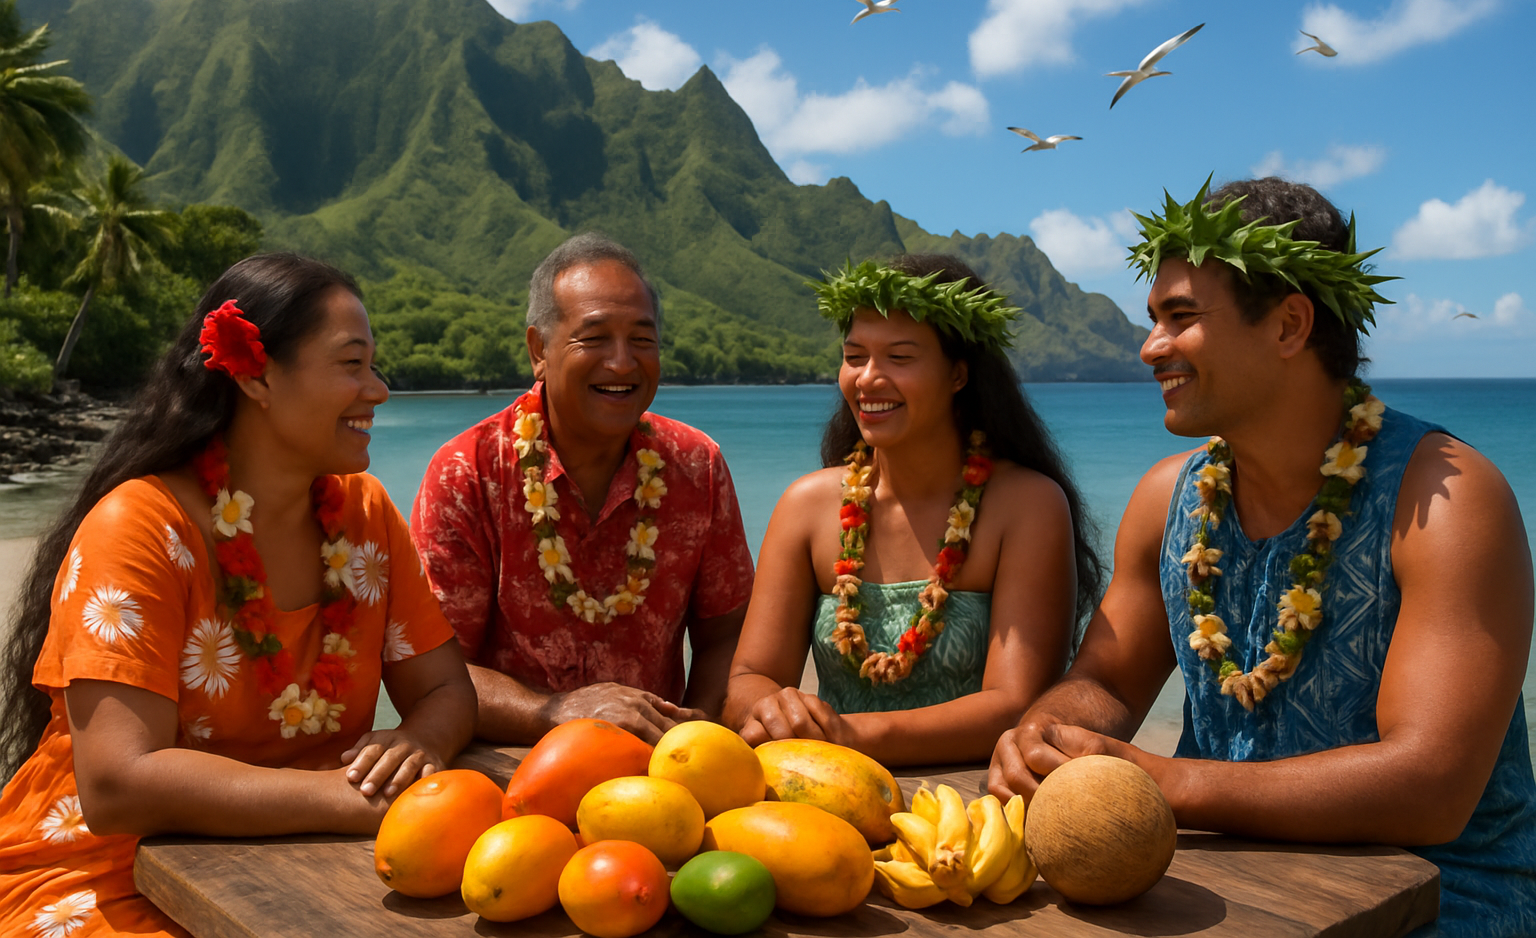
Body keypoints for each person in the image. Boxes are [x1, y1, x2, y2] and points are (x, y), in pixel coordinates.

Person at [989, 177, 1536, 936]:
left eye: (1181, 317)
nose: (1150, 347)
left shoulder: (1444, 499)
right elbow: (1107, 681)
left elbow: (1430, 788)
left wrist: (1168, 781)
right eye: (1154, 319)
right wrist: (1043, 733)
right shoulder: (1166, 499)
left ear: (1289, 325)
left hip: (1436, 898)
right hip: (1218, 874)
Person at [0, 253, 476, 938]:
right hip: (104, 871)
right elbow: (115, 787)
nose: (377, 390)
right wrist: (353, 800)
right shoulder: (138, 527)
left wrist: (421, 745)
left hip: (298, 864)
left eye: (375, 366)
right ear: (256, 376)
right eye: (352, 364)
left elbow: (443, 689)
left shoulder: (366, 515)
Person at [723, 254, 1104, 765]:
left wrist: (849, 736)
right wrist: (774, 711)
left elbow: (1015, 706)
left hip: (972, 805)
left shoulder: (1026, 506)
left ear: (958, 374)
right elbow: (749, 679)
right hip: (828, 791)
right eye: (854, 356)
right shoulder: (807, 507)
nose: (867, 379)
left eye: (899, 358)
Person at [411, 233, 754, 745]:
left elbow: (726, 635)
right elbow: (433, 675)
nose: (621, 363)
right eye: (593, 338)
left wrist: (695, 732)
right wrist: (554, 712)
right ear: (538, 351)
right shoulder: (468, 471)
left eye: (642, 339)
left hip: (659, 769)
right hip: (507, 766)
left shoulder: (695, 464)